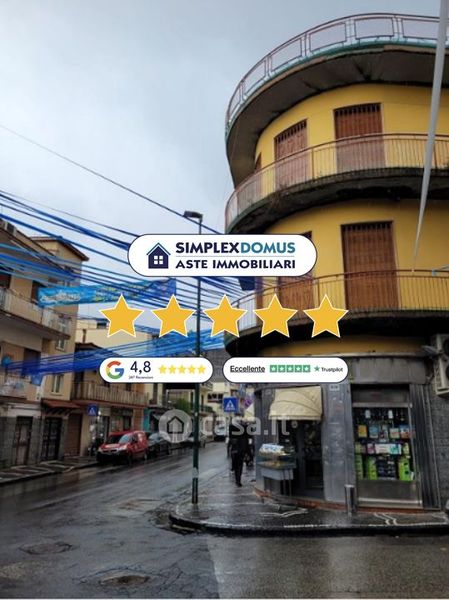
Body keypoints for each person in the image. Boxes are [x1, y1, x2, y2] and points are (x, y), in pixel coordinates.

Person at [228, 416, 249, 487]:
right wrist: (247, 452)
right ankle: (238, 480)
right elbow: (246, 440)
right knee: (239, 465)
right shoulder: (245, 427)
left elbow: (230, 439)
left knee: (236, 465)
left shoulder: (231, 427)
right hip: (241, 450)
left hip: (235, 450)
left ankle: (237, 480)